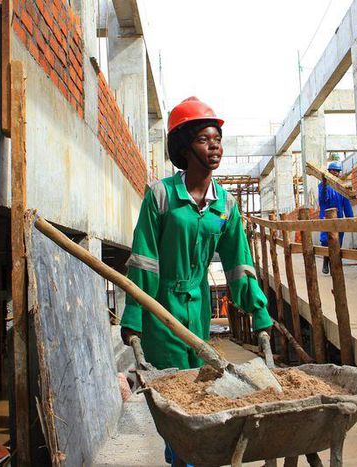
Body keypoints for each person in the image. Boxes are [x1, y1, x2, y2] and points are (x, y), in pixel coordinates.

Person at [119, 97, 272, 465]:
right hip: (162, 312)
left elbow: (240, 265)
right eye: (204, 139)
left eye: (217, 138)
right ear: (185, 146)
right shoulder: (161, 196)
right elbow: (144, 262)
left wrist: (260, 315)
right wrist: (134, 319)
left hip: (199, 308)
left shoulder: (226, 206)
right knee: (178, 409)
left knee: (202, 397)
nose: (214, 145)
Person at [318, 160, 354, 274]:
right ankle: (325, 260)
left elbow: (346, 203)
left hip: (338, 218)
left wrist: (350, 218)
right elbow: (322, 199)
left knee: (337, 243)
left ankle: (335, 266)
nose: (336, 173)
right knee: (325, 241)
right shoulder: (323, 185)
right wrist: (324, 185)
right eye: (334, 171)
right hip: (326, 217)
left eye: (338, 171)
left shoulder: (341, 187)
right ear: (329, 171)